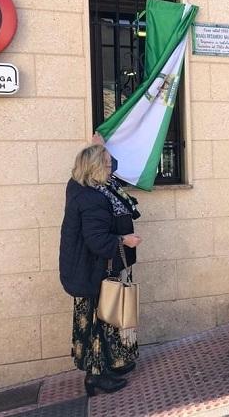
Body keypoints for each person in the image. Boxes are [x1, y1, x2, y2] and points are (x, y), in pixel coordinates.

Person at [59, 144, 142, 396]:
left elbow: (110, 167)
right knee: (99, 322)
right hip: (92, 272)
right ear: (95, 167)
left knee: (102, 320)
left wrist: (100, 143)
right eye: (106, 163)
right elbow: (96, 240)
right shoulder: (93, 198)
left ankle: (111, 365)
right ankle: (96, 377)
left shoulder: (79, 187)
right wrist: (124, 241)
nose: (111, 167)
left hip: (84, 269)